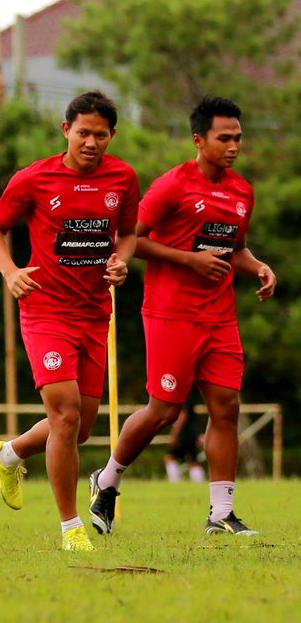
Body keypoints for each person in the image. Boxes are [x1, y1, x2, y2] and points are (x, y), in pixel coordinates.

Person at [88, 96, 273, 537]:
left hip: (220, 317)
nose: (233, 146)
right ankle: (108, 478)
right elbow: (130, 239)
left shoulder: (241, 190)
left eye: (238, 138)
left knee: (226, 407)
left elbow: (235, 249)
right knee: (164, 411)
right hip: (170, 314)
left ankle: (221, 513)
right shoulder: (172, 186)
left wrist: (260, 267)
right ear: (198, 139)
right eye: (223, 138)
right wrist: (190, 261)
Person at [0, 91, 139, 552]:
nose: (91, 142)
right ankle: (70, 529)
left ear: (112, 135)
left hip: (95, 314)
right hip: (45, 311)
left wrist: (121, 261)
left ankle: (7, 453)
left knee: (81, 427)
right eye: (83, 132)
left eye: (101, 134)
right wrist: (11, 273)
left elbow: (127, 233)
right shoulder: (34, 179)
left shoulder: (123, 178)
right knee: (66, 415)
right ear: (65, 130)